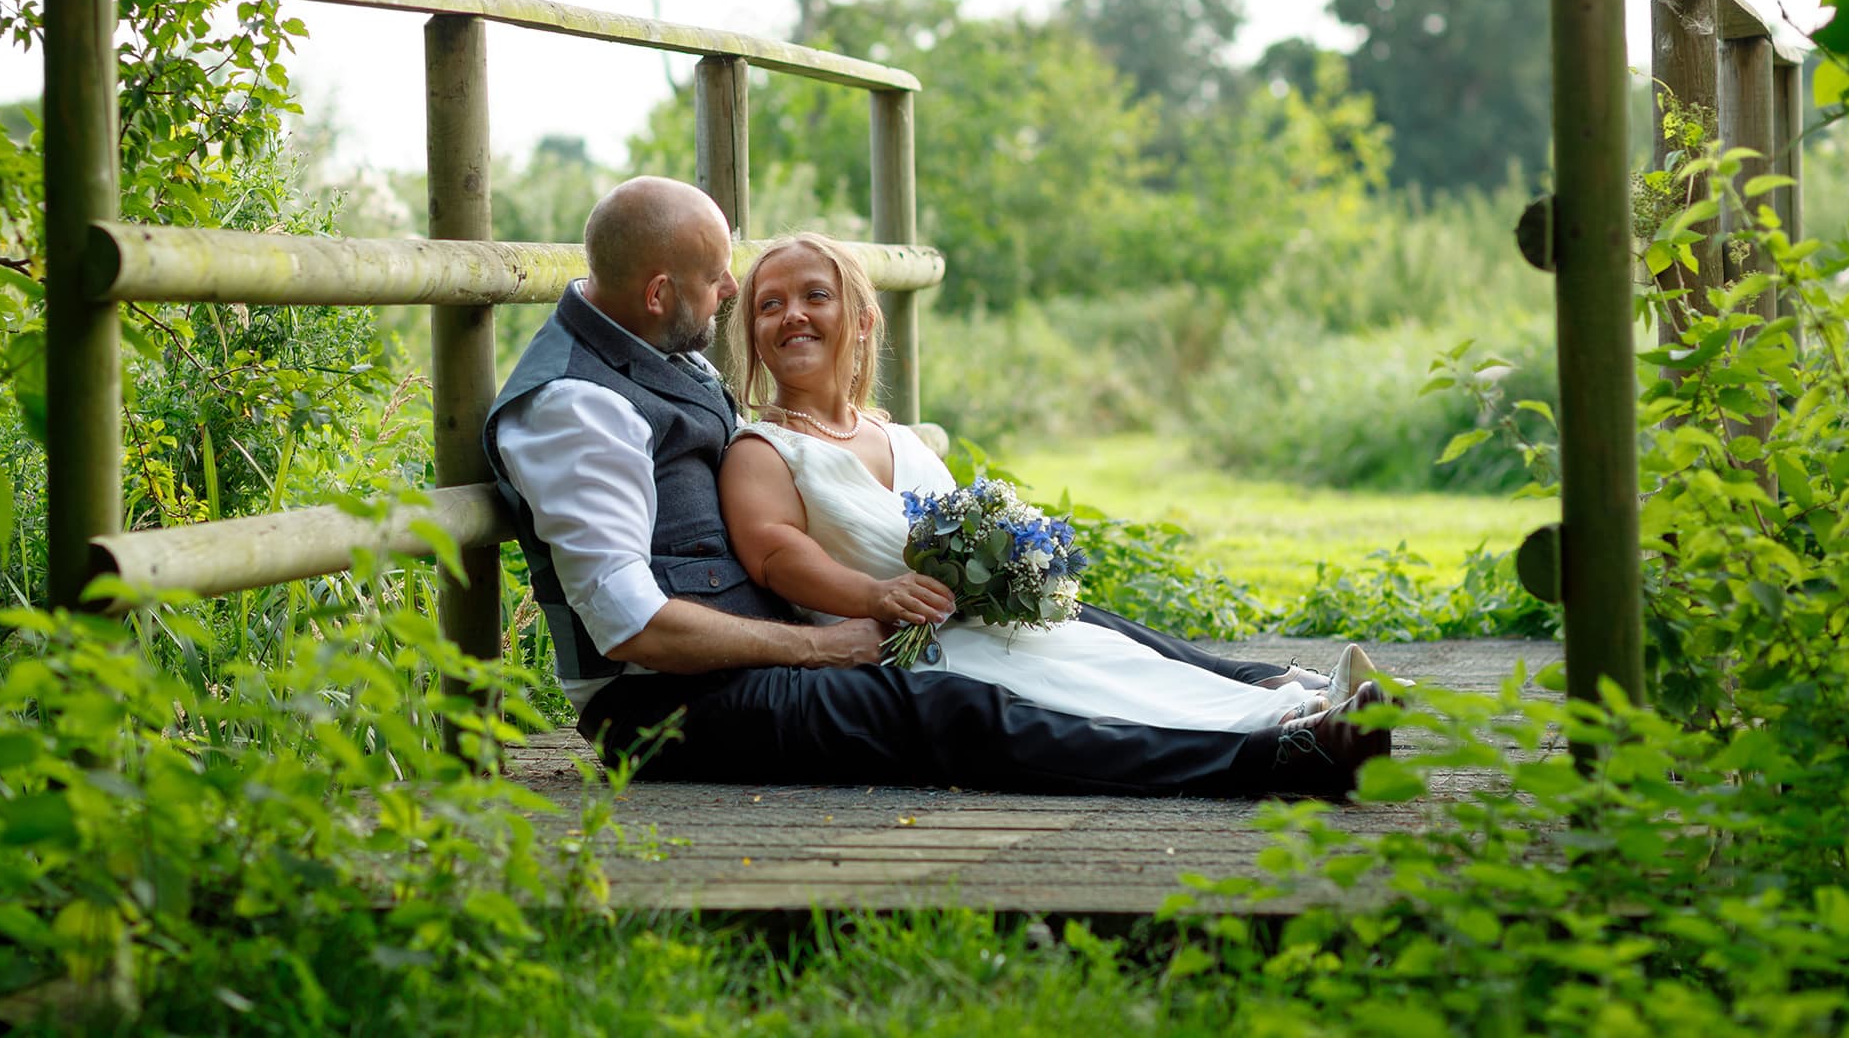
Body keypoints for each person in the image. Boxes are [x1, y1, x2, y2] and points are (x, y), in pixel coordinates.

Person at [484, 177, 1391, 799]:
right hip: (665, 711)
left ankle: (1277, 701)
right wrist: (819, 645)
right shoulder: (575, 406)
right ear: (653, 292)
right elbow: (631, 626)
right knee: (949, 705)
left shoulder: (651, 352)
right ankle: (1277, 758)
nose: (730, 290)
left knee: (1047, 628)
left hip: (753, 656)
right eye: (721, 280)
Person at [720, 230, 1386, 733]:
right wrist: (878, 594)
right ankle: (1293, 724)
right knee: (1090, 687)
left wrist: (1009, 563)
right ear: (753, 333)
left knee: (1110, 655)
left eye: (816, 297)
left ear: (863, 321)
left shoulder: (893, 435)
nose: (791, 316)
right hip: (908, 652)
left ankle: (1304, 705)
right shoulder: (764, 449)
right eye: (769, 305)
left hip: (977, 623)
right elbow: (777, 555)